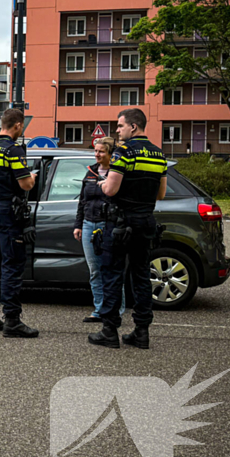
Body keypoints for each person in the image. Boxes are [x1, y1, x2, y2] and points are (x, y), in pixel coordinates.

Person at [88, 109, 168, 350]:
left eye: (120, 126)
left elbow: (111, 190)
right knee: (141, 276)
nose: (118, 130)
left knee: (112, 274)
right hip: (145, 222)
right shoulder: (158, 153)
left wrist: (102, 184)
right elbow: (161, 193)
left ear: (134, 127)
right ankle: (141, 332)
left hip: (121, 223)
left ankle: (109, 331)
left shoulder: (124, 151)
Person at [0, 108, 40, 338]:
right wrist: (32, 176)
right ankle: (12, 320)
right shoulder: (12, 151)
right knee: (11, 264)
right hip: (7, 212)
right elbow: (25, 185)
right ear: (18, 126)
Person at [72, 137, 126, 323]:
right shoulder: (90, 173)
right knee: (95, 270)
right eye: (95, 151)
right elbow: (82, 201)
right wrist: (78, 225)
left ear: (110, 153)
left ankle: (115, 310)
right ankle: (99, 309)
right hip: (89, 224)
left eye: (101, 151)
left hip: (108, 225)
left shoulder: (116, 173)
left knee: (110, 269)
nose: (97, 154)